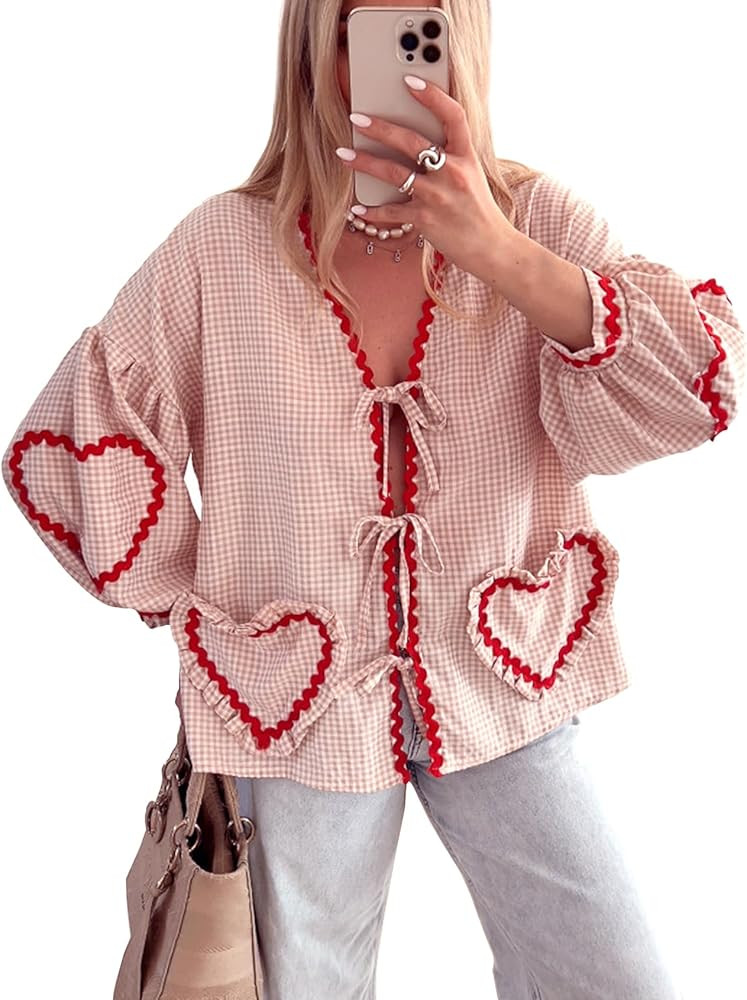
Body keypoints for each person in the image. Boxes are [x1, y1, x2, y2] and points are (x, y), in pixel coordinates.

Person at [3, 1, 743, 997]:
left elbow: (702, 381)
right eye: (361, 31)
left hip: (505, 677)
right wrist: (194, 602)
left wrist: (497, 250)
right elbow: (72, 436)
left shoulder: (536, 223)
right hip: (292, 703)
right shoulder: (222, 249)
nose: (392, 69)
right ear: (317, 46)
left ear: (461, 37)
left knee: (620, 978)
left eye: (419, 30)